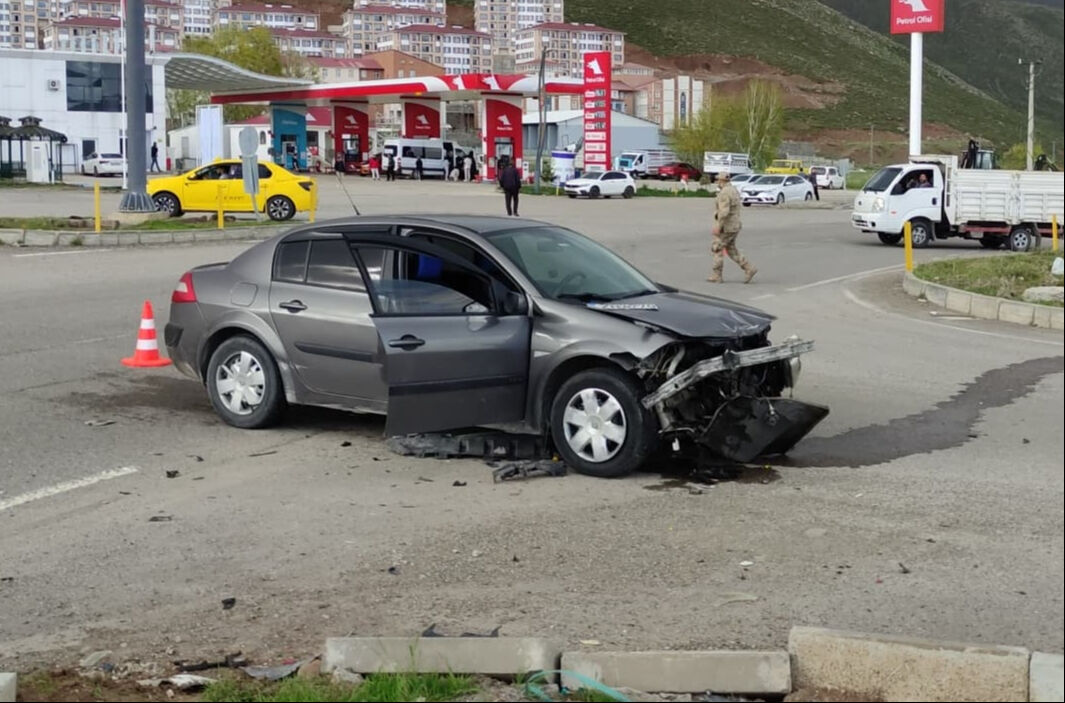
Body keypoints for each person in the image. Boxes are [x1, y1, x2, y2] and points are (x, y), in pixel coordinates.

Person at [709, 171, 757, 284]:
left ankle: (717, 275)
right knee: (731, 250)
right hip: (735, 225)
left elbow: (724, 212)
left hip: (727, 226)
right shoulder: (733, 190)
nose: (717, 182)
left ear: (721, 181)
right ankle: (748, 268)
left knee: (717, 247)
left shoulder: (724, 193)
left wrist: (718, 226)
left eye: (718, 180)